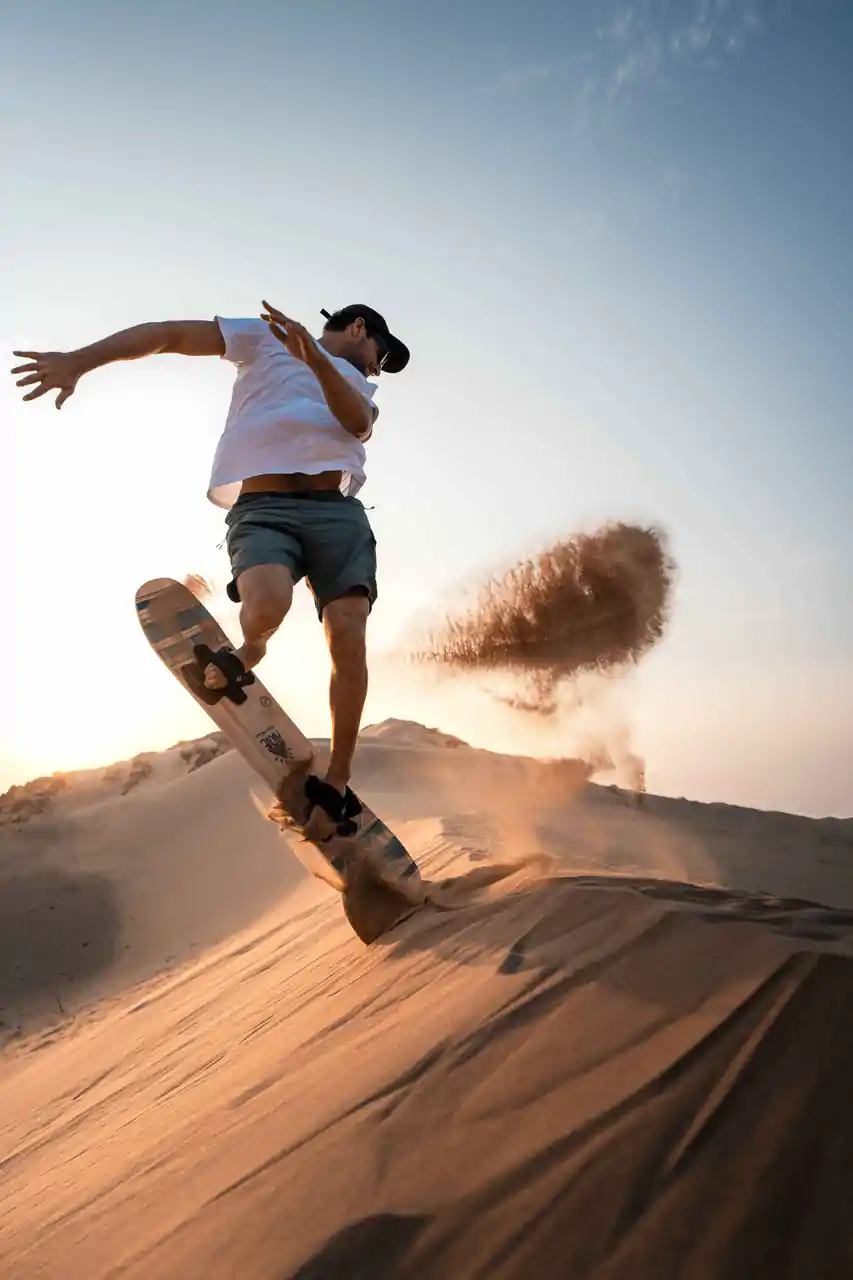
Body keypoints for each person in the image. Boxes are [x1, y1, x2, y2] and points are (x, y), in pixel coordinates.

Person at [11, 299, 410, 827]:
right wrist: (80, 360)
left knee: (349, 634)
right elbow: (167, 333)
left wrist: (314, 360)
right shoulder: (265, 338)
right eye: (380, 353)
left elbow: (357, 425)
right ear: (360, 328)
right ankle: (250, 648)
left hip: (338, 517)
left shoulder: (361, 389)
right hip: (263, 509)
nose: (378, 367)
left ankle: (337, 780)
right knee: (267, 605)